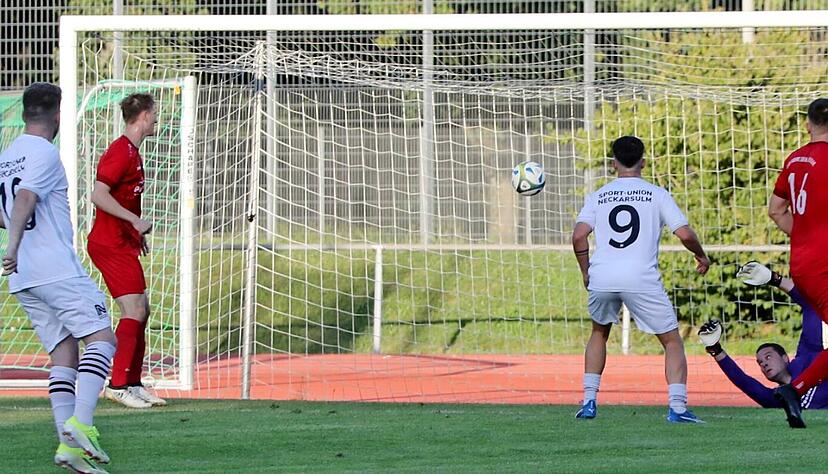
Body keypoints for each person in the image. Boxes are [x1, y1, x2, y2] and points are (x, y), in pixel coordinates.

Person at [1, 83, 114, 473]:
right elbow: (25, 199)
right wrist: (13, 246)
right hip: (53, 268)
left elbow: (7, 207)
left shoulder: (8, 155)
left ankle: (70, 450)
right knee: (102, 337)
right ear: (58, 115)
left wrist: (17, 245)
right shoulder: (45, 152)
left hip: (26, 278)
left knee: (64, 352)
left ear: (23, 113)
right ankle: (81, 424)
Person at [572, 135, 710, 423]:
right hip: (640, 277)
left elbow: (579, 235)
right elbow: (684, 233)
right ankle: (678, 408)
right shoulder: (656, 194)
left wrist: (586, 271)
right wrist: (701, 255)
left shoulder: (598, 196)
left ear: (613, 164)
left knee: (599, 333)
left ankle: (588, 402)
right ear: (643, 163)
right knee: (672, 342)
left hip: (603, 275)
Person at [87, 93, 165, 409]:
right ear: (144, 116)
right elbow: (98, 195)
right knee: (133, 311)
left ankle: (133, 382)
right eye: (155, 113)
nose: (158, 119)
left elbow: (122, 197)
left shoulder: (133, 153)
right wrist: (134, 219)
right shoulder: (120, 152)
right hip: (108, 245)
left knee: (142, 310)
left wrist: (134, 232)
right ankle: (118, 384)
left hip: (123, 242)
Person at [768, 98, 828, 428]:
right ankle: (796, 389)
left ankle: (796, 391)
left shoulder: (794, 160)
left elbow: (776, 210)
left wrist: (803, 237)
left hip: (802, 262)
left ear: (808, 125)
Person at [699, 262, 828, 409]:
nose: (764, 364)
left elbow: (810, 306)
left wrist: (774, 279)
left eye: (768, 357)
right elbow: (742, 380)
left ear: (785, 358)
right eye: (760, 362)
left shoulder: (807, 358)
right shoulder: (776, 399)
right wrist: (715, 349)